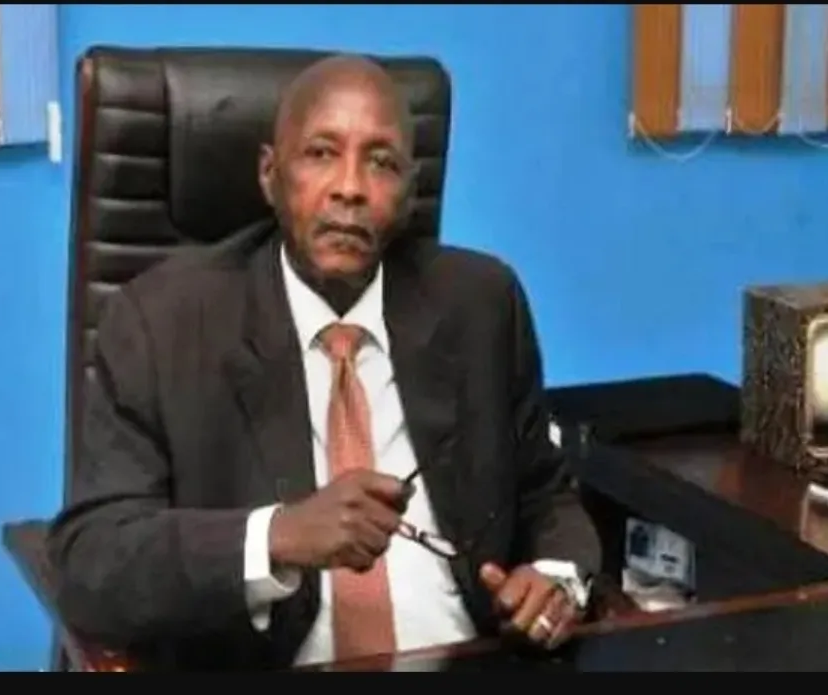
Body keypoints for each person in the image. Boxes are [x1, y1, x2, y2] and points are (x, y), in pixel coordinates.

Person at [47, 53, 601, 671]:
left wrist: (557, 577)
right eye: (321, 153)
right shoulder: (163, 322)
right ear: (270, 174)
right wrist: (277, 536)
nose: (350, 188)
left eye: (381, 162)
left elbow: (544, 492)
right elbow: (93, 560)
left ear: (410, 190)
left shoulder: (482, 303)